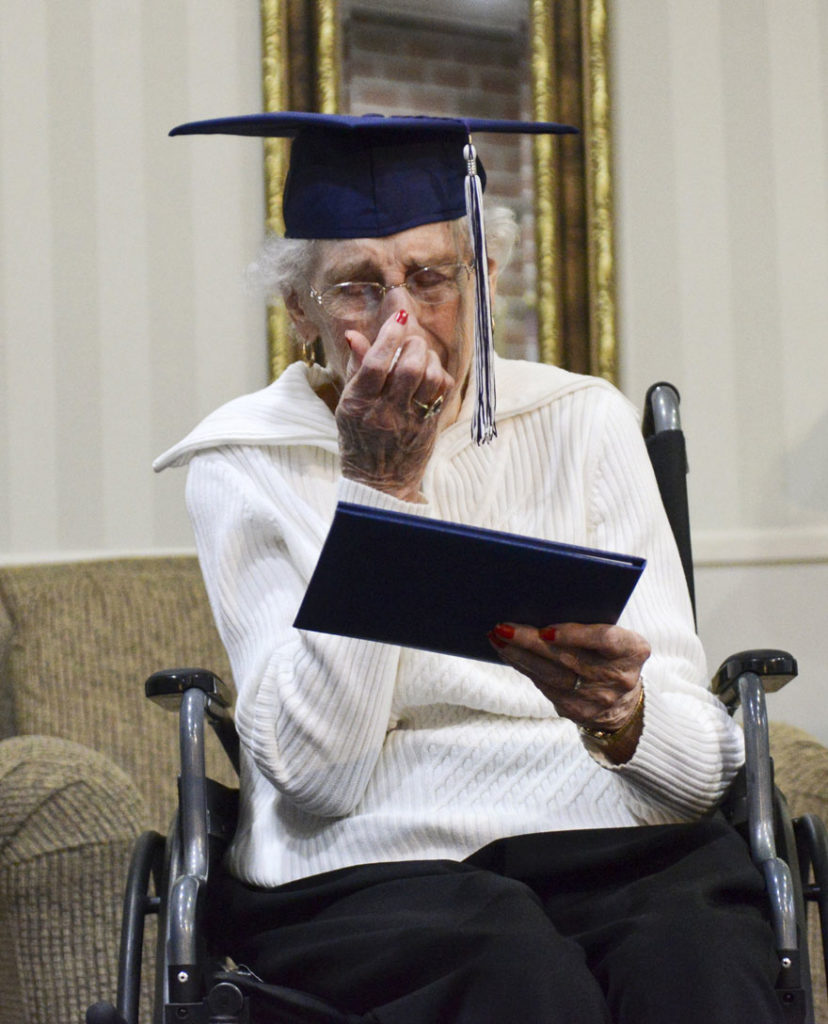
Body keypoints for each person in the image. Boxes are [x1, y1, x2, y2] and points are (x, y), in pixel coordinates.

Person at [155, 113, 784, 1023]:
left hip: (610, 835)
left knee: (698, 966)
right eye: (357, 287)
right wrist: (379, 487)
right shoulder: (243, 461)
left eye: (432, 277)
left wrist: (625, 716)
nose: (401, 318)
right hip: (370, 868)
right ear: (299, 309)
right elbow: (317, 779)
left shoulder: (583, 420)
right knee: (515, 974)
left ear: (484, 279)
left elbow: (696, 773)